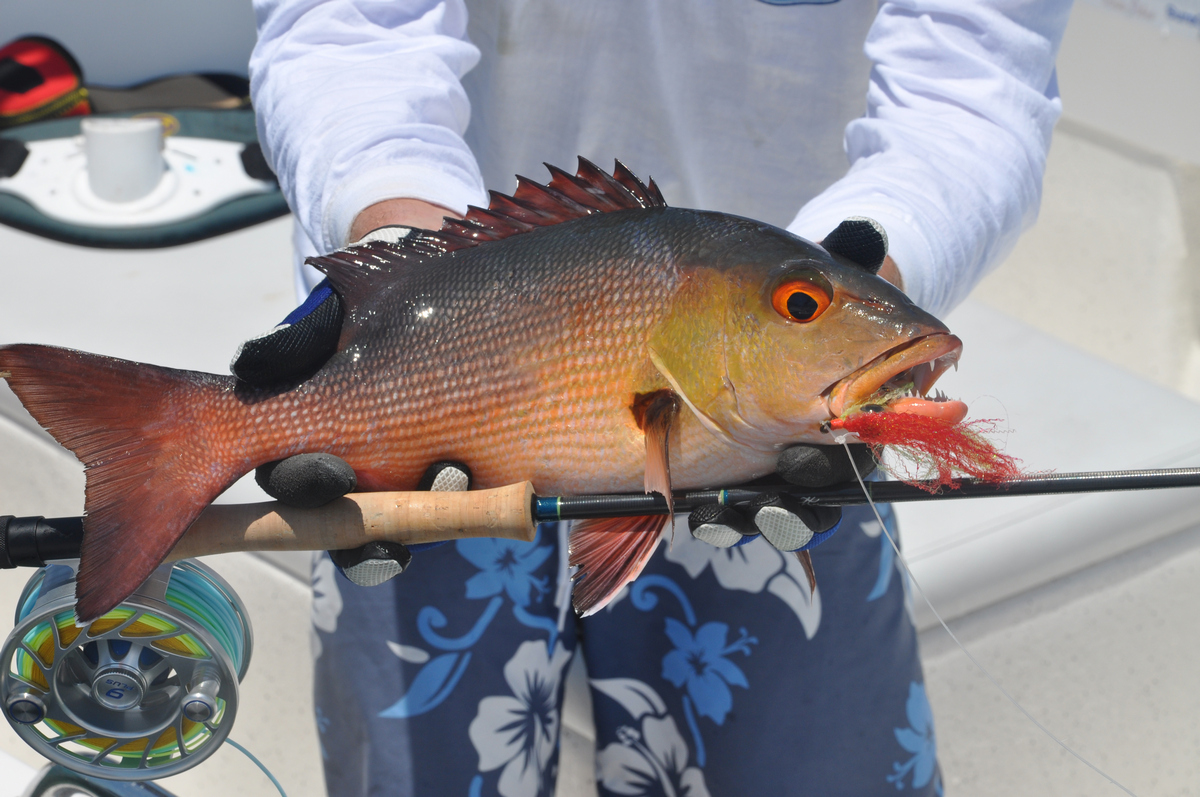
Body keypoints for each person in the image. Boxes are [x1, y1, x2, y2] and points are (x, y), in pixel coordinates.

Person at [246, 2, 1072, 794]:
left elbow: (975, 69)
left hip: (782, 448)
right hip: (429, 408)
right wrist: (394, 241)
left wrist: (877, 266)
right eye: (802, 310)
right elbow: (351, 26)